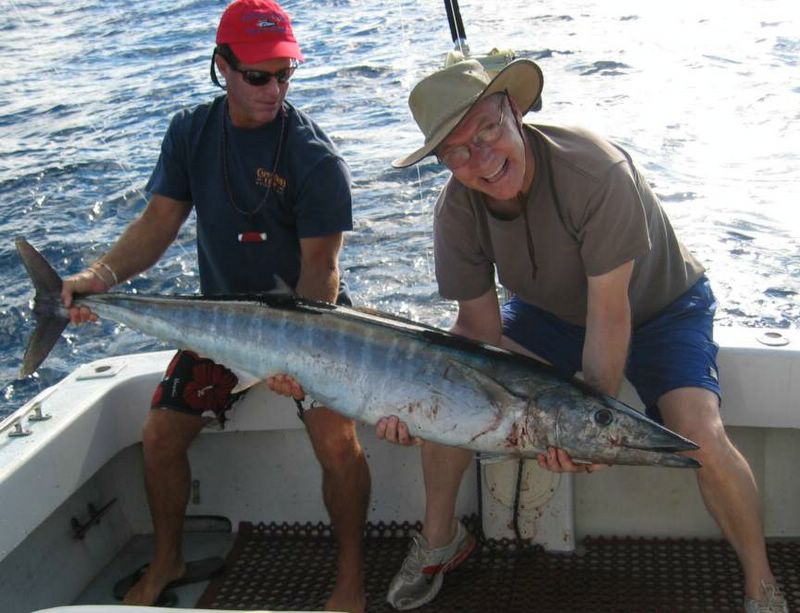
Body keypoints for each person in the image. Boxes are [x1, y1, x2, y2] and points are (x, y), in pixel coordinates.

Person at [375, 58, 788, 613]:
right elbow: (478, 330)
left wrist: (590, 427)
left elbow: (611, 312)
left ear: (514, 110)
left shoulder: (594, 171)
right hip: (550, 315)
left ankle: (762, 585)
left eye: (489, 129)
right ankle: (440, 539)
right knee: (446, 398)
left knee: (700, 437)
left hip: (662, 310)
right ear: (442, 161)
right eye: (457, 150)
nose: (482, 158)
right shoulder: (455, 212)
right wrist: (413, 406)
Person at [60, 1, 369, 611]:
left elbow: (321, 269)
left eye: (285, 73)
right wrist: (100, 275)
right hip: (223, 328)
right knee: (159, 436)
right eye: (258, 75)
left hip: (310, 322)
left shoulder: (314, 157)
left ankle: (352, 579)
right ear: (221, 67)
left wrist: (296, 360)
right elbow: (158, 223)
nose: (274, 89)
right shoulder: (190, 132)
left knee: (337, 443)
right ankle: (169, 558)